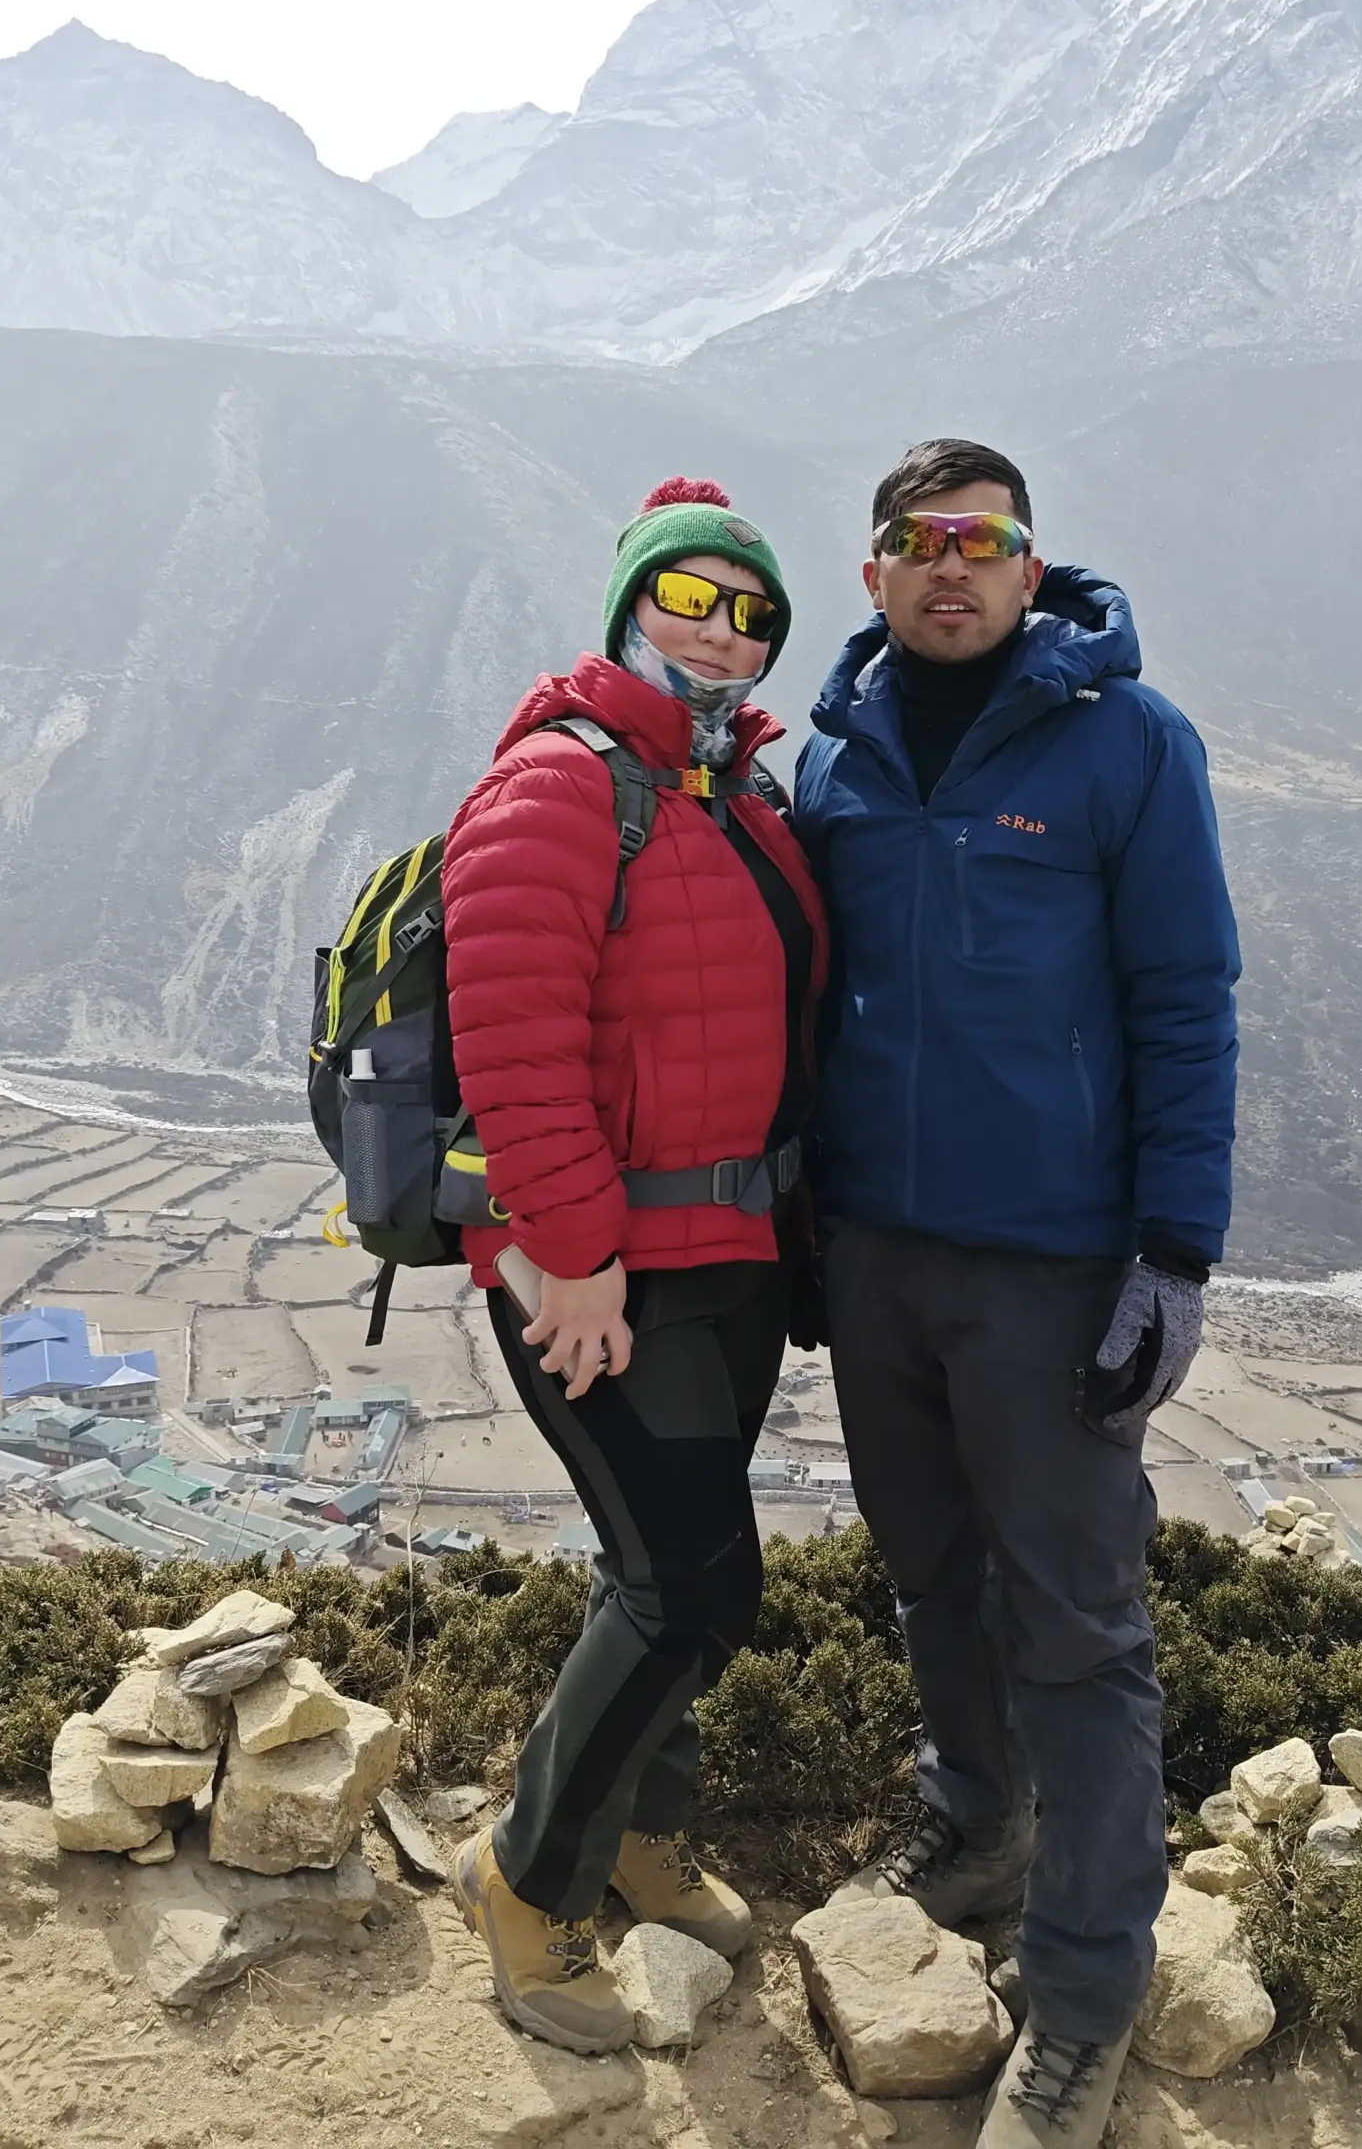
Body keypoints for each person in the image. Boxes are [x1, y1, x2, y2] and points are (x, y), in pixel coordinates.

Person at [793, 438, 1239, 2149]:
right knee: (927, 1577)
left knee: (1075, 1627)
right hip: (879, 1258)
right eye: (918, 544)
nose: (950, 570)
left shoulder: (1127, 743)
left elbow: (1187, 1001)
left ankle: (1084, 1990)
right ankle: (978, 1824)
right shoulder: (835, 758)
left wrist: (1173, 1252)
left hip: (1056, 1265)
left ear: (1033, 565)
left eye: (982, 542)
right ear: (875, 574)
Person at [439, 476, 827, 2053]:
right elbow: (512, 1044)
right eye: (691, 597)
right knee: (690, 1590)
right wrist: (572, 1255)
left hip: (726, 1256)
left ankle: (640, 1837)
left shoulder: (730, 793)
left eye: (753, 613)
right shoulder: (560, 785)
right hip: (601, 1276)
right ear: (627, 607)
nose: (724, 632)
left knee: (677, 1575)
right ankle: (530, 1884)